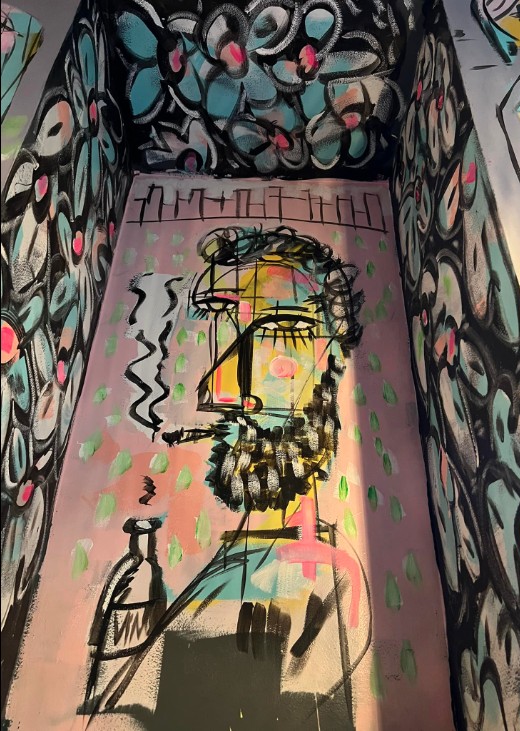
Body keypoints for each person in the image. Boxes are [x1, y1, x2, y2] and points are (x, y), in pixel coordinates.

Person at [84, 226, 370, 730]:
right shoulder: (189, 576)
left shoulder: (331, 589)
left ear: (334, 356)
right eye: (225, 330)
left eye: (282, 330)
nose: (219, 389)